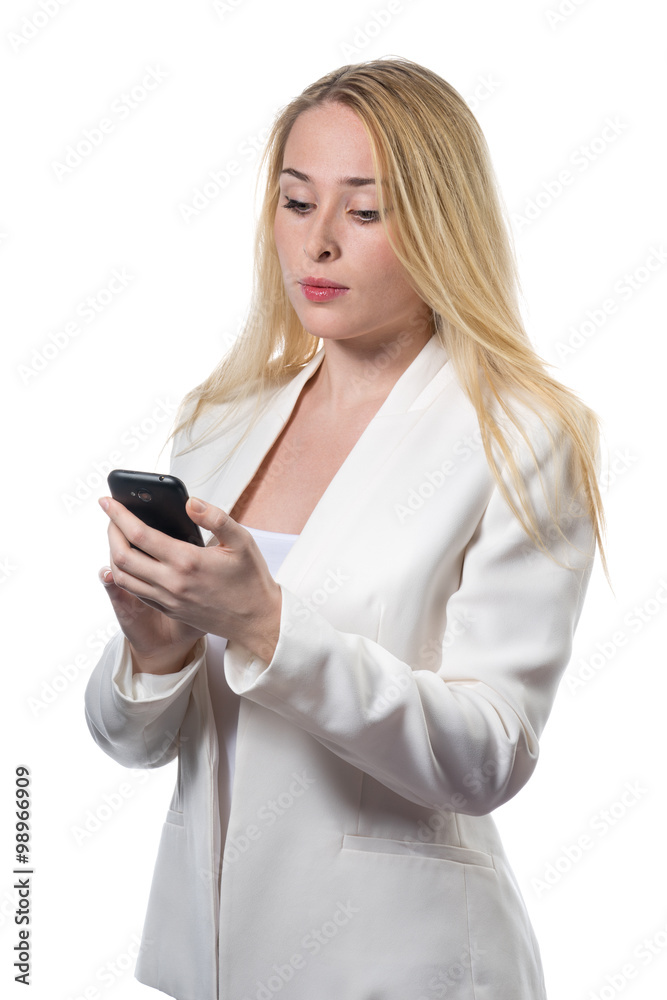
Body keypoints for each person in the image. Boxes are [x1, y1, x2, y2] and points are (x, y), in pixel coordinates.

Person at [84, 56, 607, 1000]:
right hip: (210, 965)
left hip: (399, 967)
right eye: (296, 202)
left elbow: (489, 753)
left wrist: (265, 628)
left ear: (441, 226)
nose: (315, 244)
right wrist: (154, 651)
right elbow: (133, 742)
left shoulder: (521, 434)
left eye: (363, 212)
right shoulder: (222, 419)